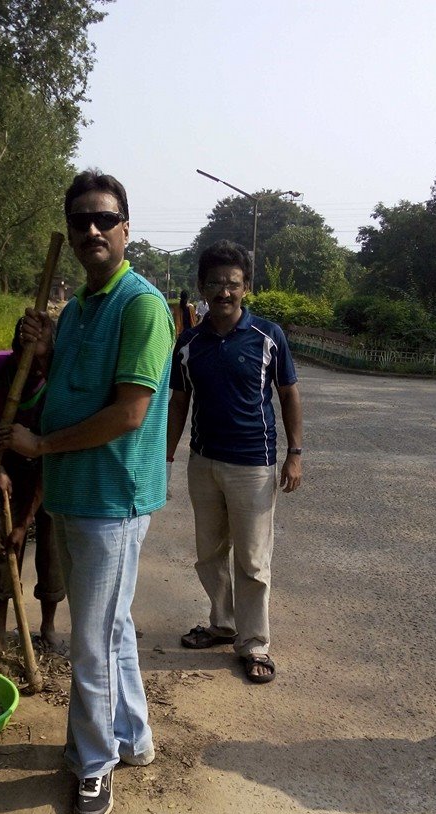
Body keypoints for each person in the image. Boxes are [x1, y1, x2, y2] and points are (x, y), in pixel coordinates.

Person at [0, 169, 174, 814]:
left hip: (111, 501)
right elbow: (63, 392)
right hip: (73, 494)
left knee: (91, 640)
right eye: (80, 221)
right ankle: (134, 739)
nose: (92, 230)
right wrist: (41, 350)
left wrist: (40, 449)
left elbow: (129, 414)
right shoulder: (76, 310)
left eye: (104, 219)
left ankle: (93, 766)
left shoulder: (141, 306)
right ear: (70, 233)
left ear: (127, 228)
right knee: (113, 625)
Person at [166, 240, 302, 684]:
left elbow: (288, 394)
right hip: (203, 463)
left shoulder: (268, 337)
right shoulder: (188, 342)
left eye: (233, 284)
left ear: (246, 288)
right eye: (216, 284)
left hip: (254, 465)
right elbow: (179, 401)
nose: (224, 292)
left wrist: (294, 453)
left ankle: (255, 643)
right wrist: (166, 454)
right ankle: (223, 625)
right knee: (209, 553)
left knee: (253, 559)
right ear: (202, 287)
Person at [0, 322, 65, 651]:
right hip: (6, 465)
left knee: (51, 550)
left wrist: (25, 522)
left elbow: (56, 447)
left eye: (40, 359)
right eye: (27, 357)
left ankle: (47, 627)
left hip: (50, 465)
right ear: (15, 350)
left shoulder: (57, 376)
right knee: (3, 546)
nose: (34, 366)